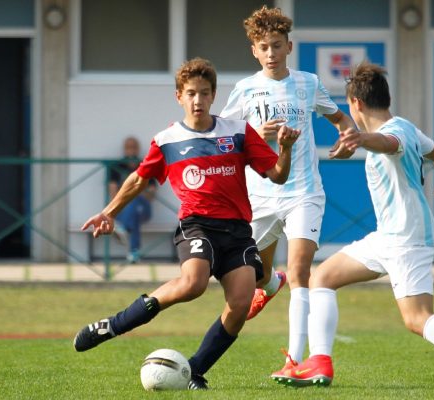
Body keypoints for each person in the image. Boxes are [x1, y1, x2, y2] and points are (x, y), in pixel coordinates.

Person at [276, 62, 434, 399]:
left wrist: (361, 138)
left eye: (349, 107)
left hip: (407, 240)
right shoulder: (409, 128)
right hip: (387, 237)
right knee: (323, 277)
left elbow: (388, 143)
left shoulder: (396, 131)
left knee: (417, 318)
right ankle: (319, 361)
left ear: (355, 104)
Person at [72, 58, 300, 390]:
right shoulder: (167, 140)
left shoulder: (238, 132)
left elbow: (278, 176)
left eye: (204, 94)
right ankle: (113, 325)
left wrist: (285, 149)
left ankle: (194, 370)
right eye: (191, 93)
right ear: (179, 95)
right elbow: (138, 179)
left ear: (213, 96)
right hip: (196, 226)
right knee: (193, 284)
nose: (198, 101)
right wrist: (110, 212)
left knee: (240, 303)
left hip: (237, 231)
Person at [220, 5, 355, 377]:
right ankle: (271, 283)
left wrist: (349, 137)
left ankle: (294, 361)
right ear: (253, 50)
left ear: (289, 46)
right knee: (257, 277)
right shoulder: (245, 89)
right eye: (263, 47)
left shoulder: (308, 83)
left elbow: (339, 116)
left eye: (277, 46)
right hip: (260, 196)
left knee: (300, 271)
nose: (270, 54)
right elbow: (226, 135)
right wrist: (255, 135)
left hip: (303, 193)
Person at [109, 136, 157, 263]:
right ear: (124, 149)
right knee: (133, 213)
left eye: (134, 147)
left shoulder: (145, 166)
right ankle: (134, 252)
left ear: (138, 149)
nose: (131, 150)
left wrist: (136, 191)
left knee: (134, 200)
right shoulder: (116, 166)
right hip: (121, 210)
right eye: (128, 147)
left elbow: (152, 195)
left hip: (143, 208)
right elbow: (113, 194)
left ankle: (123, 229)